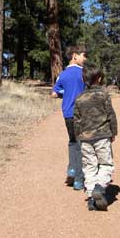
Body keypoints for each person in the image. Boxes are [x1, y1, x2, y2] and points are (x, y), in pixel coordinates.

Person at [71, 68, 117, 211]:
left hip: (85, 138)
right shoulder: (103, 95)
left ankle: (91, 197)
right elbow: (111, 115)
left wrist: (78, 135)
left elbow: (76, 120)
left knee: (89, 167)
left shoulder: (79, 98)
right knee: (106, 164)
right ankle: (100, 186)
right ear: (99, 79)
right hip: (102, 136)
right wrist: (113, 132)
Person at [52, 45, 86, 190]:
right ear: (74, 56)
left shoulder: (63, 74)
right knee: (81, 145)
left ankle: (72, 169)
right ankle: (78, 179)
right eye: (83, 55)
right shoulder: (84, 74)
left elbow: (55, 93)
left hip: (67, 114)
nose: (85, 59)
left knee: (72, 141)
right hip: (81, 113)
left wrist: (66, 93)